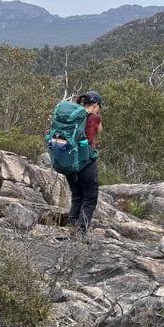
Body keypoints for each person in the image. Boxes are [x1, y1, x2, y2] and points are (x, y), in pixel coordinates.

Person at [66, 91, 103, 235]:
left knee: (77, 196)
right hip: (86, 162)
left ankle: (73, 225)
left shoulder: (72, 116)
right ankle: (81, 232)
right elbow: (99, 131)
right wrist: (95, 114)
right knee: (90, 198)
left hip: (69, 161)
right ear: (96, 105)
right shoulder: (94, 118)